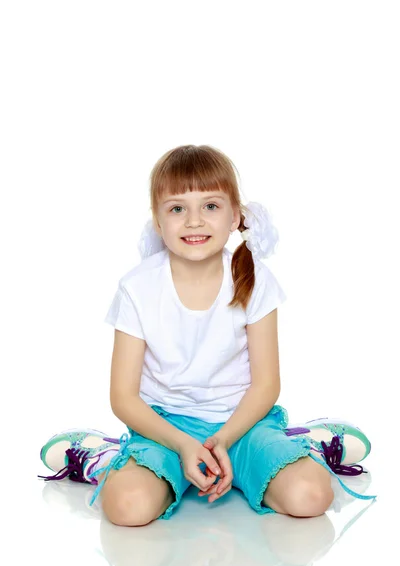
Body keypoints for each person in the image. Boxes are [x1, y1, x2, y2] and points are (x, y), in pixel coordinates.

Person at [38, 144, 376, 527]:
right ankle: (101, 457)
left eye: (211, 206)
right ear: (158, 221)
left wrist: (224, 441)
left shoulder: (254, 279)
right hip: (164, 428)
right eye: (177, 208)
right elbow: (123, 397)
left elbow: (266, 384)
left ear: (235, 216)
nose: (194, 221)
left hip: (243, 425)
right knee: (127, 509)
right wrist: (183, 444)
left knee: (310, 496)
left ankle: (304, 446)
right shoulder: (138, 287)